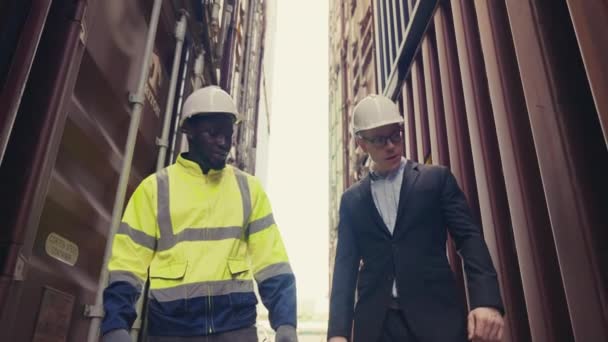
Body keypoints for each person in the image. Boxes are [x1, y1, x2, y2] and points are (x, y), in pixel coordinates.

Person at [101, 86, 298, 342]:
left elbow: (272, 262)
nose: (224, 142)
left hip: (235, 329)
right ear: (189, 131)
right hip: (171, 331)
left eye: (228, 133)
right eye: (213, 133)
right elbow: (127, 265)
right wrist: (116, 324)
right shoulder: (156, 189)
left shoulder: (248, 189)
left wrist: (285, 322)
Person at [327, 95, 505, 342]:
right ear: (361, 143)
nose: (390, 145)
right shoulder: (352, 201)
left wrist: (486, 301)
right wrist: (338, 333)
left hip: (437, 320)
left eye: (395, 135)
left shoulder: (436, 180)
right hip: (379, 327)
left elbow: (469, 239)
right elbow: (345, 269)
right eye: (380, 139)